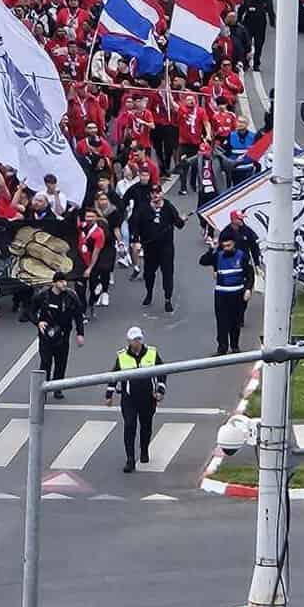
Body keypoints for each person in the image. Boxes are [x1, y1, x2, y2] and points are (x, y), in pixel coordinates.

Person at [108, 325, 164, 473]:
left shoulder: (152, 353)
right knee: (129, 426)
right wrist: (109, 394)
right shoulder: (122, 356)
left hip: (147, 398)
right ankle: (130, 459)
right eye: (134, 340)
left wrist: (160, 390)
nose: (137, 342)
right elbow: (114, 375)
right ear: (129, 342)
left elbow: (162, 372)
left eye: (139, 339)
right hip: (129, 399)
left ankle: (144, 449)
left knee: (146, 426)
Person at [200, 231, 254, 354]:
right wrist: (211, 249)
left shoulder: (242, 256)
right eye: (224, 246)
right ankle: (222, 348)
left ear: (234, 244)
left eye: (229, 245)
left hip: (237, 293)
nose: (226, 248)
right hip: (221, 294)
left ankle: (235, 346)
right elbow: (203, 261)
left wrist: (248, 289)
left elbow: (250, 274)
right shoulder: (218, 256)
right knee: (222, 321)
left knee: (235, 322)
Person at [33, 274, 85, 399]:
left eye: (65, 281)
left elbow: (78, 316)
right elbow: (29, 311)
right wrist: (38, 322)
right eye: (61, 281)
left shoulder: (71, 296)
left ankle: (57, 388)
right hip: (46, 335)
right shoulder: (43, 296)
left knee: (61, 363)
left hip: (63, 335)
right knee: (45, 362)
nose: (64, 284)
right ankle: (42, 389)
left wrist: (80, 333)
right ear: (54, 283)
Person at [133, 188, 184, 310]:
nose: (156, 195)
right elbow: (136, 225)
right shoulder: (143, 208)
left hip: (166, 248)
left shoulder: (168, 207)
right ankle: (149, 293)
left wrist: (182, 219)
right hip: (149, 247)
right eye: (153, 193)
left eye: (158, 193)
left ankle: (168, 299)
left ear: (162, 194)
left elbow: (179, 224)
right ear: (150, 195)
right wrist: (136, 241)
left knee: (167, 273)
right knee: (148, 274)